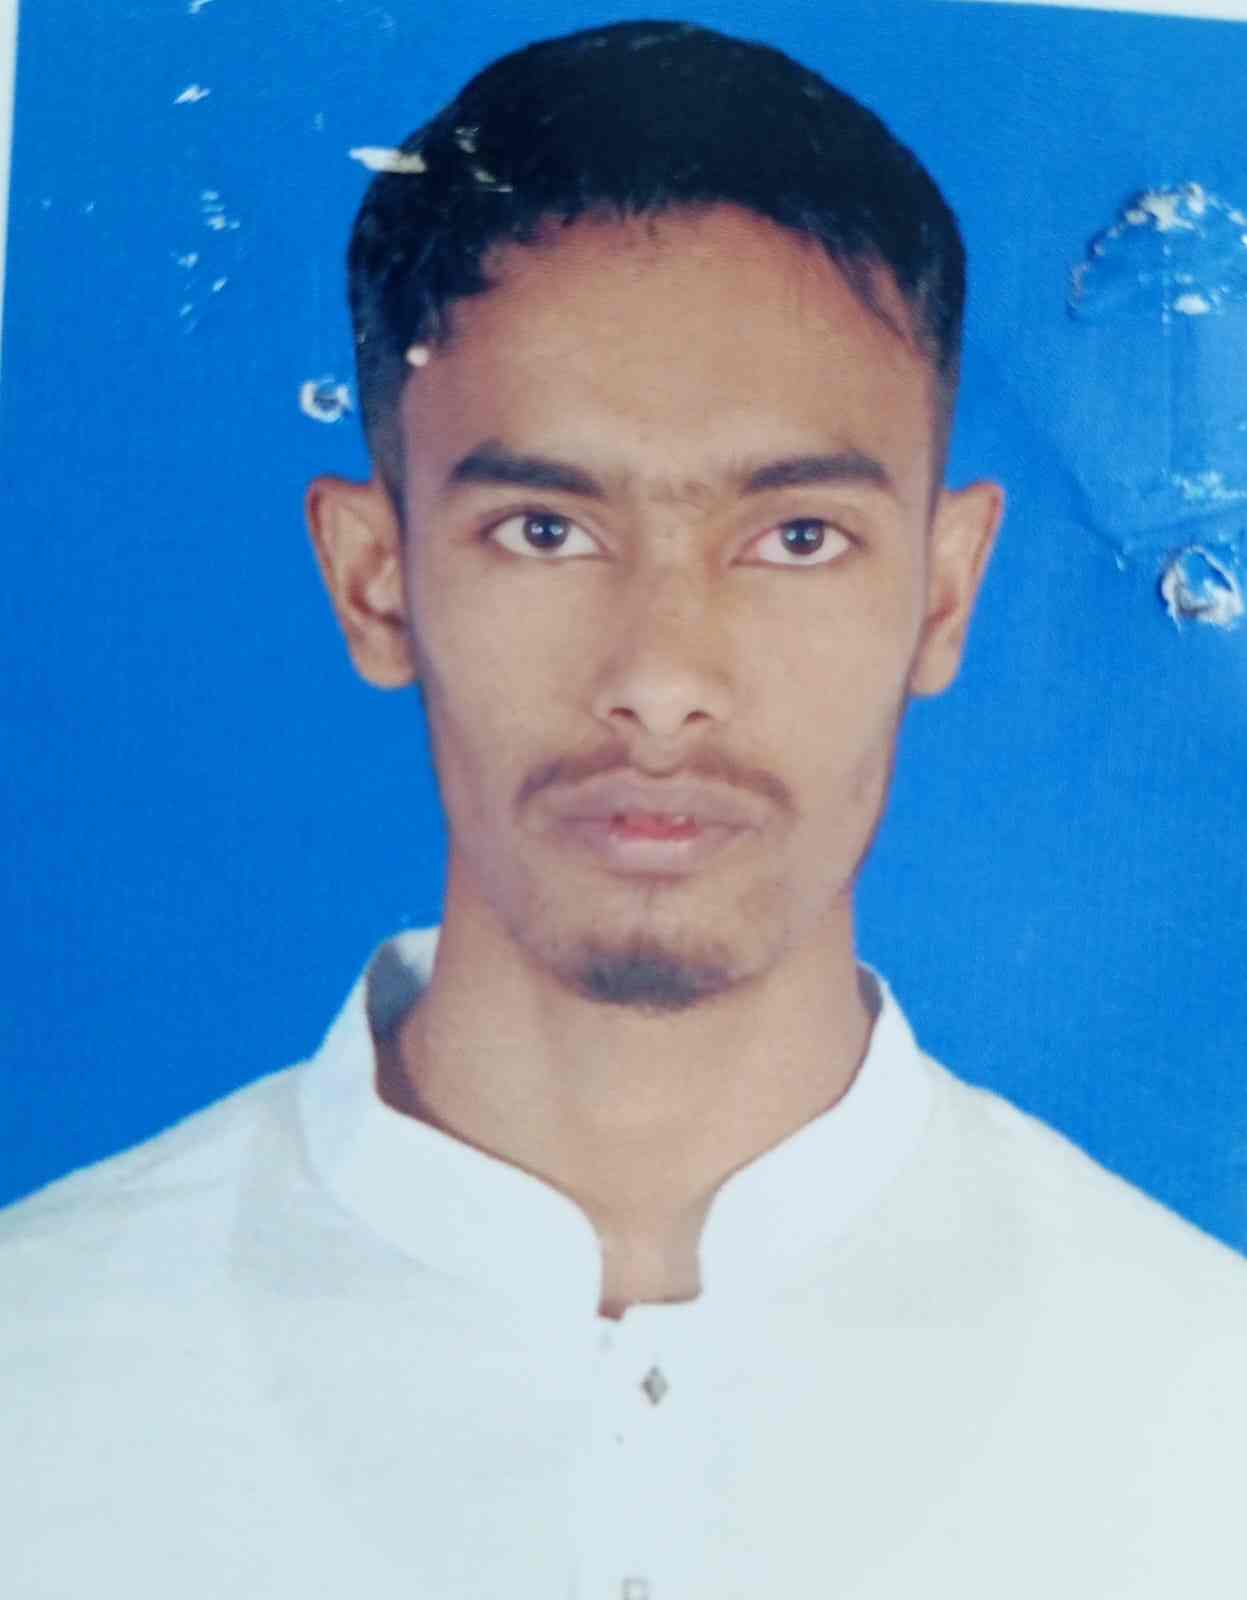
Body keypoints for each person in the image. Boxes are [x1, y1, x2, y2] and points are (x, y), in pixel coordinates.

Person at [4, 20, 1245, 1599]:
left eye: (797, 537)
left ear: (945, 592)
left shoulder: (1204, 1417)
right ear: (373, 579)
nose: (662, 681)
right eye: (544, 528)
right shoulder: (35, 1389)